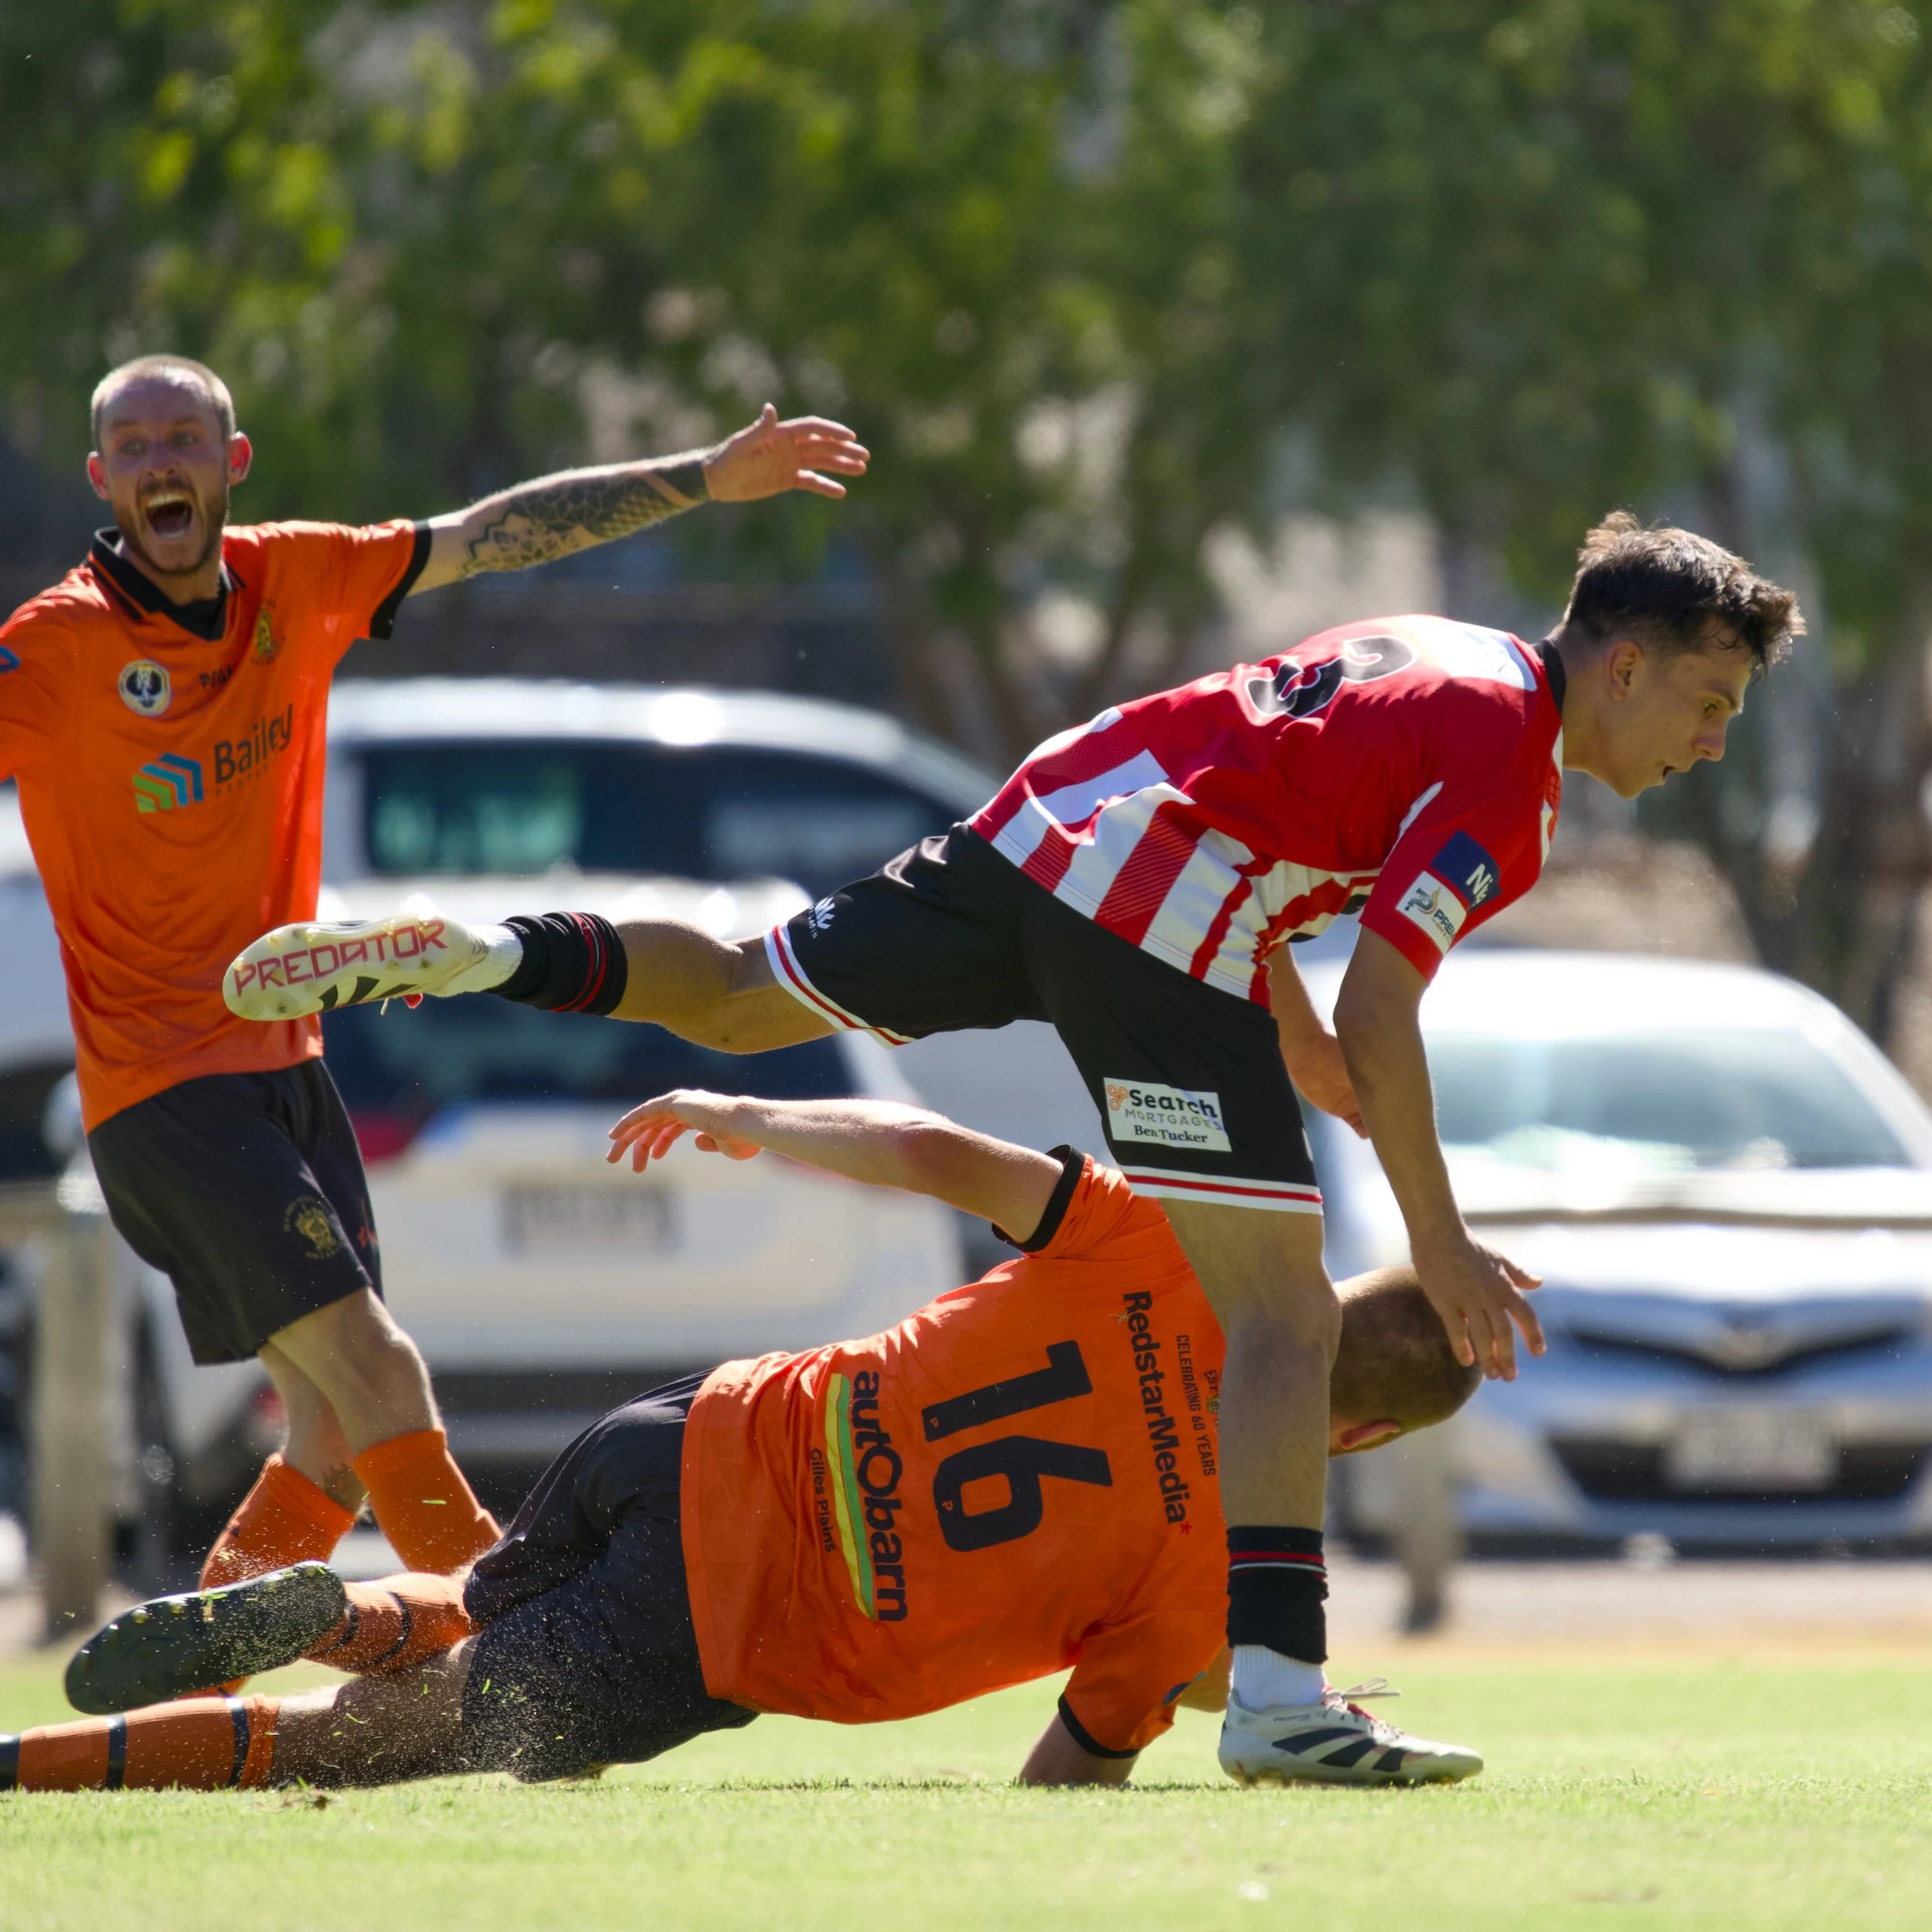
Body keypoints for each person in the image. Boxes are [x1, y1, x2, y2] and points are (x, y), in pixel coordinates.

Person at [226, 512, 1803, 1778]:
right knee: (1284, 1316)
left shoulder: (1442, 651)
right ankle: (1277, 1690)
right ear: (1621, 662)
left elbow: (1268, 833)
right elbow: (1382, 1005)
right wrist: (1440, 1241)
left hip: (1054, 821)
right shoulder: (1513, 776)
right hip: (1154, 912)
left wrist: (1304, 1058)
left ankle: (481, 950)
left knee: (745, 996)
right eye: (1709, 701)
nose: (1714, 741)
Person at [0, 353, 868, 1607]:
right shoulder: (60, 643)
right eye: (132, 447)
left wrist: (702, 478)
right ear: (101, 478)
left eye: (182, 438)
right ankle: (509, 1650)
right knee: (384, 1375)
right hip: (162, 1090)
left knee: (334, 1437)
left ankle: (209, 1654)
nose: (159, 464)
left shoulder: (299, 576)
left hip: (290, 1069)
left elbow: (491, 535)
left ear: (232, 462)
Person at [5, 1090, 1482, 1794]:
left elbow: (937, 1151)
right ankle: (28, 1765)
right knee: (357, 1746)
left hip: (695, 1430)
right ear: (1359, 1435)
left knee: (482, 1606)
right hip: (724, 1621)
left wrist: (754, 1116)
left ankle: (337, 1608)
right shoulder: (1216, 1577)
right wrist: (1272, 1694)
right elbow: (1076, 1764)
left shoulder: (1164, 1246)